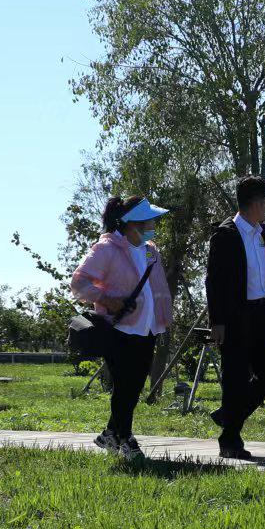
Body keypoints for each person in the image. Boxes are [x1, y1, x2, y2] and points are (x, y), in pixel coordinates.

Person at [70, 195, 175, 457]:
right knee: (125, 386)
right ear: (132, 222)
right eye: (148, 219)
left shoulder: (150, 249)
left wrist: (162, 318)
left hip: (146, 328)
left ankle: (109, 435)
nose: (153, 223)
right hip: (119, 329)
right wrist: (107, 300)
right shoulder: (106, 249)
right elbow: (79, 283)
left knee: (134, 386)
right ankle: (125, 439)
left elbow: (157, 286)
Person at [205, 176, 265, 460]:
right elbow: (214, 281)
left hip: (261, 312)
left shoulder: (263, 234)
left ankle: (229, 414)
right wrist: (217, 322)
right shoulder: (226, 234)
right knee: (236, 378)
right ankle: (230, 440)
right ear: (255, 202)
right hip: (235, 315)